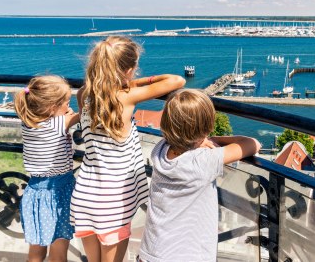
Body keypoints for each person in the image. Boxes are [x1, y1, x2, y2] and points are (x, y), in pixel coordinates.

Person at [70, 36, 185, 262]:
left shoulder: (84, 94)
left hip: (85, 193)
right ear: (129, 70)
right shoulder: (127, 96)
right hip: (114, 198)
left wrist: (121, 80)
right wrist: (134, 82)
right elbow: (177, 80)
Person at [139, 89, 261, 262]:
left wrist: (200, 138)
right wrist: (212, 140)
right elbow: (253, 144)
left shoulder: (161, 149)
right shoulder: (202, 160)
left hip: (152, 251)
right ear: (206, 127)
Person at [14, 75, 80, 262]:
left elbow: (55, 120)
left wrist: (62, 114)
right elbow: (85, 113)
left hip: (35, 193)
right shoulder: (59, 124)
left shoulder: (28, 122)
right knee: (58, 254)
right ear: (53, 107)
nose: (69, 107)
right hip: (59, 193)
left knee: (35, 254)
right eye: (67, 103)